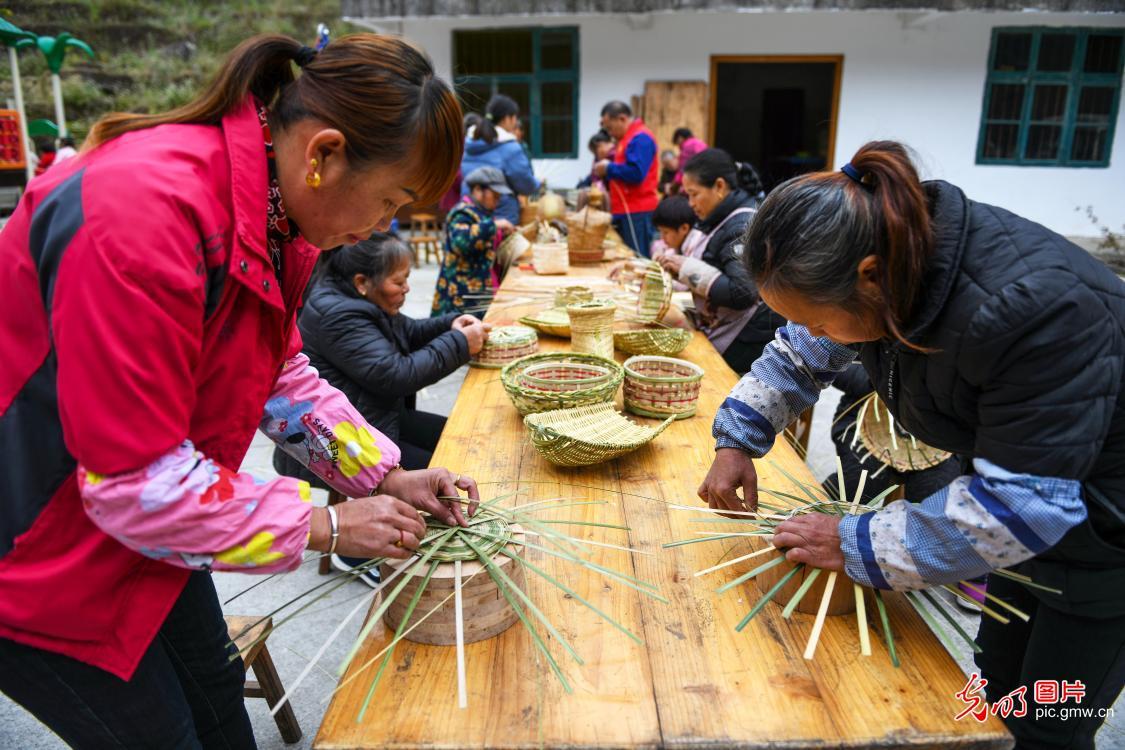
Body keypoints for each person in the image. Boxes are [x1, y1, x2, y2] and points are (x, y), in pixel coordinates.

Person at [0, 33, 479, 748]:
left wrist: (385, 475)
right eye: (387, 203)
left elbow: (276, 378)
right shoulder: (143, 212)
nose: (377, 229)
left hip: (155, 532)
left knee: (221, 699)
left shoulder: (272, 216)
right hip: (42, 557)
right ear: (323, 154)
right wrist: (327, 526)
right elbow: (134, 481)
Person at [700, 140, 1125, 750]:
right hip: (1033, 518)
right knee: (1003, 687)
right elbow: (799, 350)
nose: (816, 333)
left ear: (869, 276)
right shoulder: (889, 260)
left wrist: (853, 541)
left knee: (1052, 722)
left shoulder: (1036, 309)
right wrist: (737, 439)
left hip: (1105, 536)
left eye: (819, 318)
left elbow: (1024, 506)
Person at [276, 233, 487, 580]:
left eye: (408, 280)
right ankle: (354, 557)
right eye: (399, 281)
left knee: (461, 439)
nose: (406, 288)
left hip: (373, 423)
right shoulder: (337, 314)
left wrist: (450, 324)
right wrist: (459, 344)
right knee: (449, 464)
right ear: (362, 282)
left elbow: (408, 330)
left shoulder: (362, 299)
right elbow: (395, 375)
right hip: (332, 441)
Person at [657, 148, 782, 374]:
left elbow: (743, 292)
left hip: (747, 336)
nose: (691, 203)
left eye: (694, 194)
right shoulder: (718, 219)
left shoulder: (739, 225)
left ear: (720, 187)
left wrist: (686, 268)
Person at [433, 166, 515, 317]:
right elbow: (460, 241)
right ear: (477, 190)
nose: (498, 200)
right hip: (461, 294)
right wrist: (494, 225)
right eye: (495, 195)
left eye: (499, 196)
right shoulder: (462, 212)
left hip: (477, 291)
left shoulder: (482, 214)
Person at [460, 94, 540, 225]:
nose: (515, 122)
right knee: (498, 245)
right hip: (501, 215)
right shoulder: (510, 148)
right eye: (514, 117)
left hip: (469, 209)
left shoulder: (469, 144)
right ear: (507, 119)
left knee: (473, 241)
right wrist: (536, 184)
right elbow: (525, 183)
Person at [594, 101, 659, 257]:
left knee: (638, 258)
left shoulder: (640, 138)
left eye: (610, 128)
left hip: (637, 210)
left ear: (622, 119)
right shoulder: (627, 139)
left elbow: (636, 173)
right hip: (626, 209)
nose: (609, 133)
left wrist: (609, 168)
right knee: (627, 258)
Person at [650, 193, 695, 260]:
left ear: (684, 228)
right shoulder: (675, 247)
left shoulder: (695, 251)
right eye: (660, 232)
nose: (662, 237)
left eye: (666, 232)